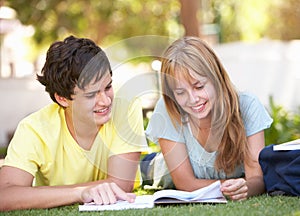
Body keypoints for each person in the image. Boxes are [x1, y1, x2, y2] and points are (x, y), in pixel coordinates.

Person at [0, 35, 148, 211]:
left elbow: (121, 184)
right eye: (91, 95)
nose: (106, 101)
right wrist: (80, 193)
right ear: (62, 99)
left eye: (107, 87)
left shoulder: (125, 108)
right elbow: (5, 195)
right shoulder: (34, 128)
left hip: (141, 167)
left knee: (154, 168)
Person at [144, 36, 273, 201]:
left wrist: (244, 187)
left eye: (198, 86)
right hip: (158, 170)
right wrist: (228, 186)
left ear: (216, 78)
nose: (192, 99)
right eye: (180, 92)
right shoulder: (168, 109)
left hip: (219, 180)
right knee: (143, 169)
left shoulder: (248, 106)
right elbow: (185, 183)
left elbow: (256, 178)